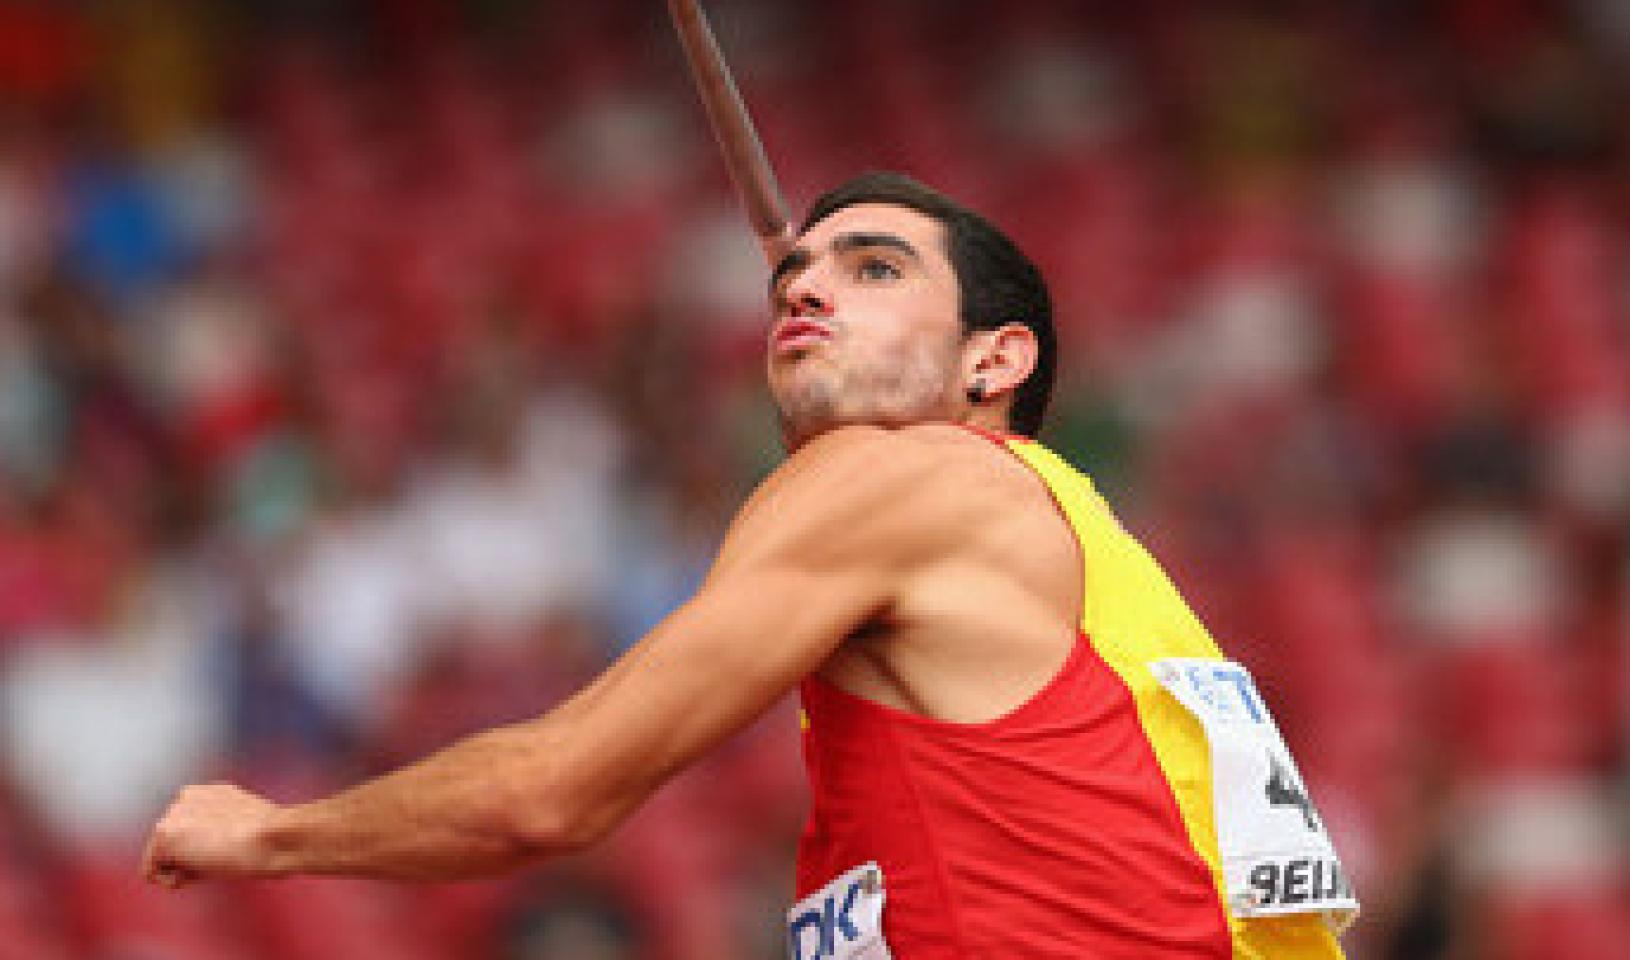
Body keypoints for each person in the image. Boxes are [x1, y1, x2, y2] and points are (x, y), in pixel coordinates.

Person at [144, 172, 1355, 958]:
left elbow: (547, 793)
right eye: (795, 274)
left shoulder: (895, 475)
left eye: (874, 268)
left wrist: (270, 834)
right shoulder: (1091, 553)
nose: (807, 286)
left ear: (992, 363)